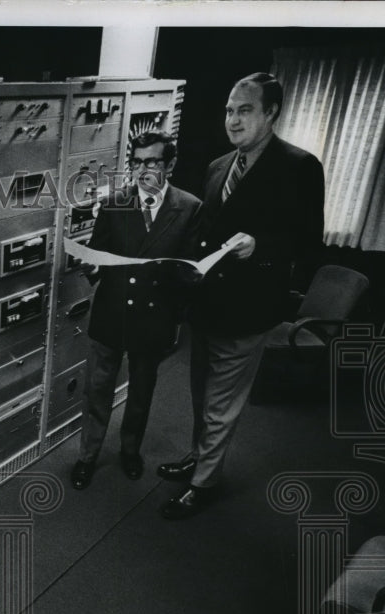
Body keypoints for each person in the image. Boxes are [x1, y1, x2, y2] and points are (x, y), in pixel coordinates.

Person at [157, 72, 325, 519]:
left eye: (245, 110)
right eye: (230, 110)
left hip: (249, 309)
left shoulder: (300, 166)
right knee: (200, 395)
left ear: (272, 113)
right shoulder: (217, 166)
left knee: (220, 404)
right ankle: (200, 458)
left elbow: (310, 243)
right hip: (206, 305)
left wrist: (261, 247)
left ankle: (204, 484)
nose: (233, 120)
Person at [71, 130, 203, 490]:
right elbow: (98, 252)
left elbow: (188, 266)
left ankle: (130, 451)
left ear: (169, 165)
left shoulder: (189, 207)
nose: (142, 169)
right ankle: (87, 456)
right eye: (137, 162)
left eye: (152, 162)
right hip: (112, 313)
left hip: (154, 316)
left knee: (141, 393)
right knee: (97, 390)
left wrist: (184, 288)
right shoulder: (114, 203)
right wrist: (90, 264)